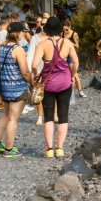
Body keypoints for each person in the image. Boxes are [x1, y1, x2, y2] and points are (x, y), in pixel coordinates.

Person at [32, 16, 78, 158]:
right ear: (60, 29)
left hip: (48, 84)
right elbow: (75, 62)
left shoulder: (42, 44)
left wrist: (36, 75)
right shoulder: (67, 43)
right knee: (63, 116)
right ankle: (60, 148)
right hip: (65, 83)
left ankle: (49, 149)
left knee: (49, 117)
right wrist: (72, 75)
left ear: (46, 29)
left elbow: (34, 65)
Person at [0, 22, 31, 158]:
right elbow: (25, 72)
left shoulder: (1, 47)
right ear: (19, 33)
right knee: (13, 119)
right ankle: (9, 149)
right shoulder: (17, 49)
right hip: (17, 88)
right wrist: (32, 82)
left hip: (4, 87)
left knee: (6, 115)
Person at [62, 20, 86, 102]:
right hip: (64, 57)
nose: (65, 31)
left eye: (67, 29)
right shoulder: (62, 34)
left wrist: (70, 43)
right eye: (64, 30)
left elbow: (78, 46)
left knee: (74, 74)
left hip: (71, 57)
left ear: (70, 27)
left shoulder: (74, 34)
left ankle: (80, 90)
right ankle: (68, 92)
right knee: (66, 75)